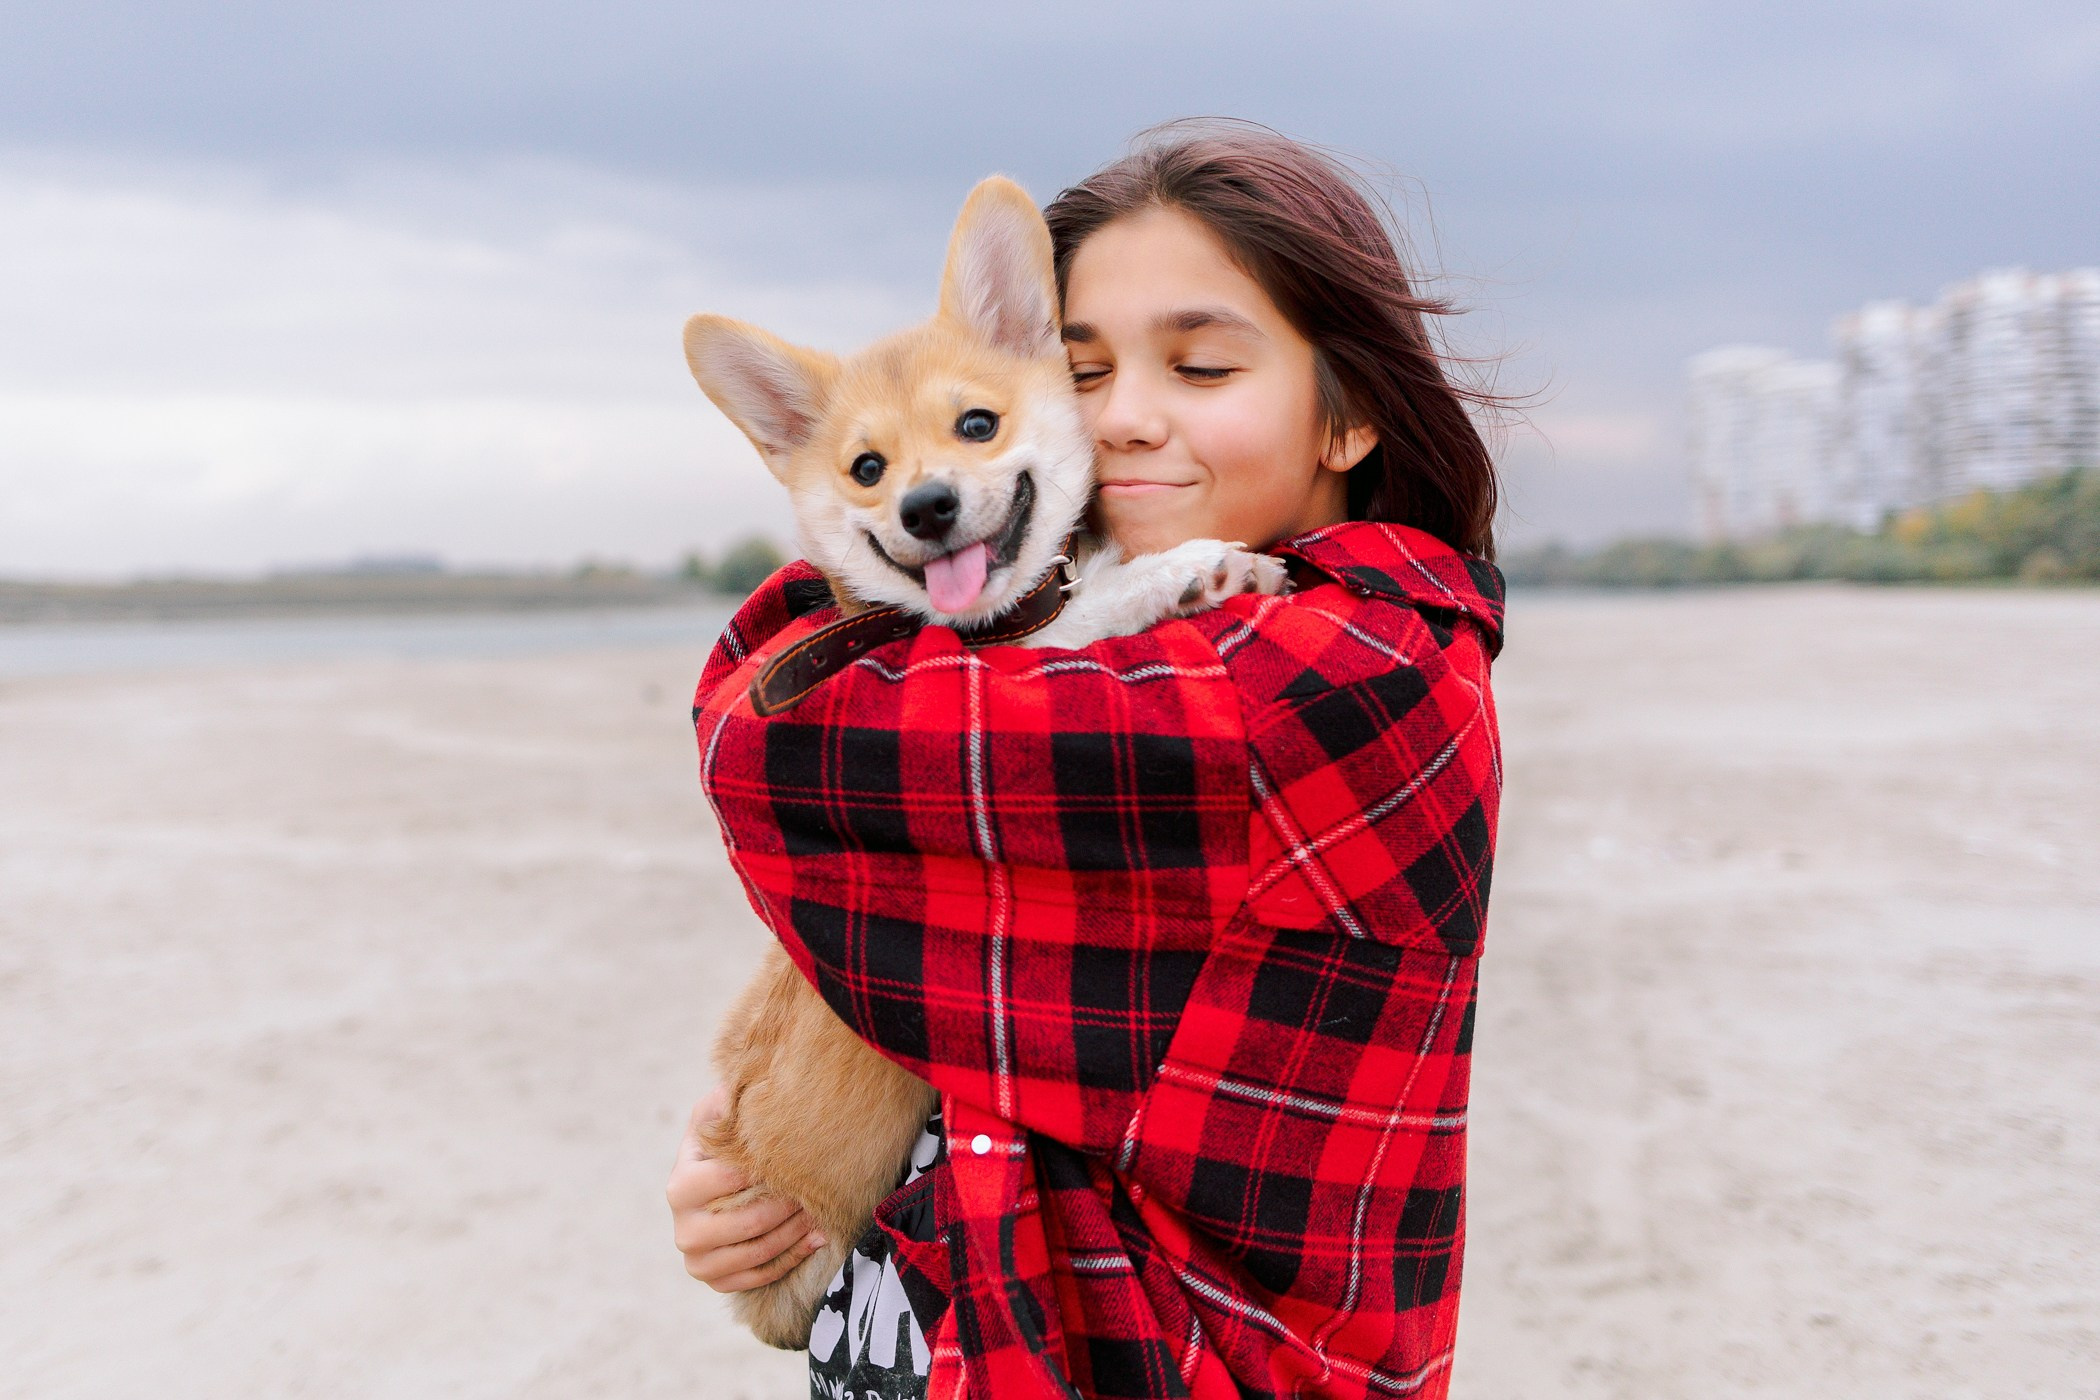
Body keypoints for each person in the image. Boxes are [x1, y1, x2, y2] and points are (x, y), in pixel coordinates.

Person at [669, 122, 1506, 1400]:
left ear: (1351, 417)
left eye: (1204, 365)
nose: (1121, 419)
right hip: (950, 1318)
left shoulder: (1351, 673)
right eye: (1086, 368)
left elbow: (774, 749)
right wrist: (763, 1179)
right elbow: (950, 988)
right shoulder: (1122, 626)